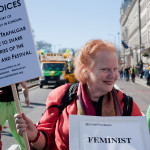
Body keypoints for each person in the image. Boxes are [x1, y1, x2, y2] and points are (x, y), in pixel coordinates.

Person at [14, 39, 142, 150]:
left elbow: (140, 144)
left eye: (115, 69)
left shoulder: (127, 104)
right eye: (105, 69)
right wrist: (34, 135)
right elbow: (46, 143)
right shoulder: (62, 96)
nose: (112, 75)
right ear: (85, 71)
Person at [0, 81, 30, 150]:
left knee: (21, 132)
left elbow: (24, 85)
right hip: (1, 104)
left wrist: (26, 97)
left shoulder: (15, 72)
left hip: (15, 104)